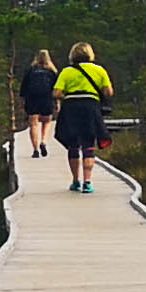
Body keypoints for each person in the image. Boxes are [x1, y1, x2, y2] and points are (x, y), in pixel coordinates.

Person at [51, 42, 113, 191]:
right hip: (91, 108)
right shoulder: (99, 70)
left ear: (73, 55)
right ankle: (87, 182)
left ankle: (75, 180)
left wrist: (69, 92)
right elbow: (108, 92)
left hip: (71, 108)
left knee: (73, 144)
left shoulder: (67, 71)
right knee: (88, 143)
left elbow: (56, 93)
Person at [18, 48, 59, 158]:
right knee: (47, 121)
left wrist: (23, 101)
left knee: (34, 123)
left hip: (32, 98)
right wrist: (57, 103)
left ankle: (35, 149)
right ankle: (44, 141)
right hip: (47, 98)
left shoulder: (31, 71)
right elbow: (56, 89)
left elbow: (24, 87)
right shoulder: (52, 72)